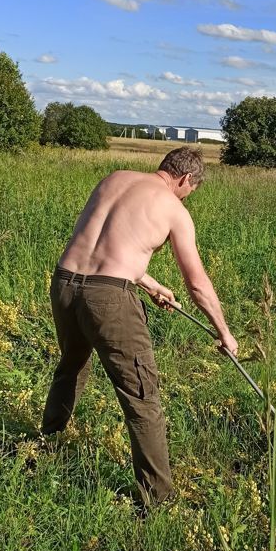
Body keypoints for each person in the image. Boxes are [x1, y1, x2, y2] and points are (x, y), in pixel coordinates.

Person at [40, 146, 238, 510]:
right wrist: (224, 331)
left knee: (71, 366)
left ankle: (46, 443)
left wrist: (149, 284)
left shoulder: (114, 179)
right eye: (190, 190)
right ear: (185, 179)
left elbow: (100, 247)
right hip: (108, 300)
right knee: (142, 395)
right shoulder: (173, 209)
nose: (187, 196)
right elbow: (197, 284)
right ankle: (158, 499)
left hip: (65, 283)